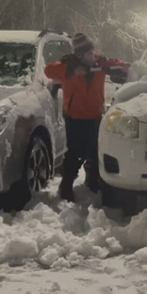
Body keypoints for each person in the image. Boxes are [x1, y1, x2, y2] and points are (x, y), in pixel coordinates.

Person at [44, 33, 129, 202]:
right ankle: (66, 185)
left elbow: (117, 64)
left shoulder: (99, 63)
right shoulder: (68, 64)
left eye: (92, 52)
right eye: (88, 53)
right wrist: (71, 71)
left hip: (95, 116)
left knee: (94, 150)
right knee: (75, 152)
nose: (92, 55)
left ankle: (93, 180)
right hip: (74, 117)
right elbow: (49, 70)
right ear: (79, 55)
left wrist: (125, 66)